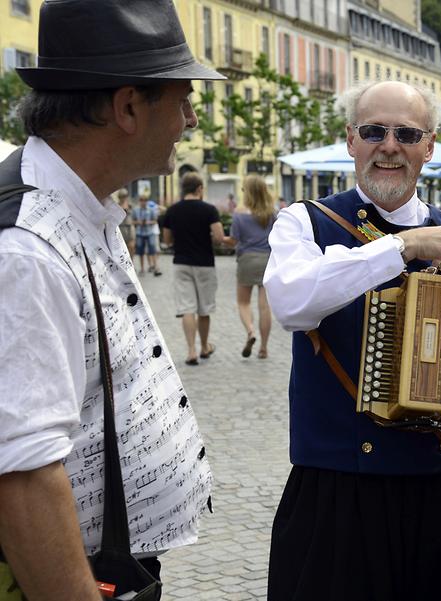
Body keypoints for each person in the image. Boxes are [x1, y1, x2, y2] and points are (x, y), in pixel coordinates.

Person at [263, 80, 441, 601]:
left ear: (428, 147)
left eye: (407, 134)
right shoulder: (304, 223)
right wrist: (402, 247)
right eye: (374, 131)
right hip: (338, 491)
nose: (389, 146)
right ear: (351, 140)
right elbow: (291, 302)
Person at [0, 1, 221, 599]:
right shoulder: (27, 248)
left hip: (114, 560)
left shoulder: (82, 204)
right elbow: (23, 473)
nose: (190, 120)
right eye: (181, 99)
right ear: (128, 106)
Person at [161, 172, 223, 366]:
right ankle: (205, 346)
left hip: (181, 263)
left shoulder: (172, 211)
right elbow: (220, 237)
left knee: (187, 308)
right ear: (199, 189)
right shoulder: (209, 210)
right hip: (205, 263)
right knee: (204, 309)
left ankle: (191, 351)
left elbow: (167, 240)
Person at [224, 174, 276, 359]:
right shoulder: (272, 213)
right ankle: (264, 347)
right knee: (265, 307)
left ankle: (251, 331)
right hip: (268, 260)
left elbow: (233, 240)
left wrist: (220, 239)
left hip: (246, 260)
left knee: (243, 303)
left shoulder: (239, 214)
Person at [133, 192, 162, 275]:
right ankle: (142, 269)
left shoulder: (151, 209)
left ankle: (156, 267)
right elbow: (132, 221)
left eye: (145, 200)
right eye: (142, 200)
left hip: (149, 232)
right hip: (140, 232)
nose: (143, 202)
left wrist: (148, 222)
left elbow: (155, 221)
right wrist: (139, 222)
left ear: (147, 201)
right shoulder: (136, 210)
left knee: (152, 250)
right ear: (139, 201)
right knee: (140, 251)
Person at [116, 188, 135, 256]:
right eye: (121, 196)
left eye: (125, 196)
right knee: (121, 247)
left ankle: (131, 261)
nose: (123, 198)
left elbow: (135, 215)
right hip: (120, 227)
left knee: (131, 246)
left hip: (130, 227)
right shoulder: (116, 206)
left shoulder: (131, 205)